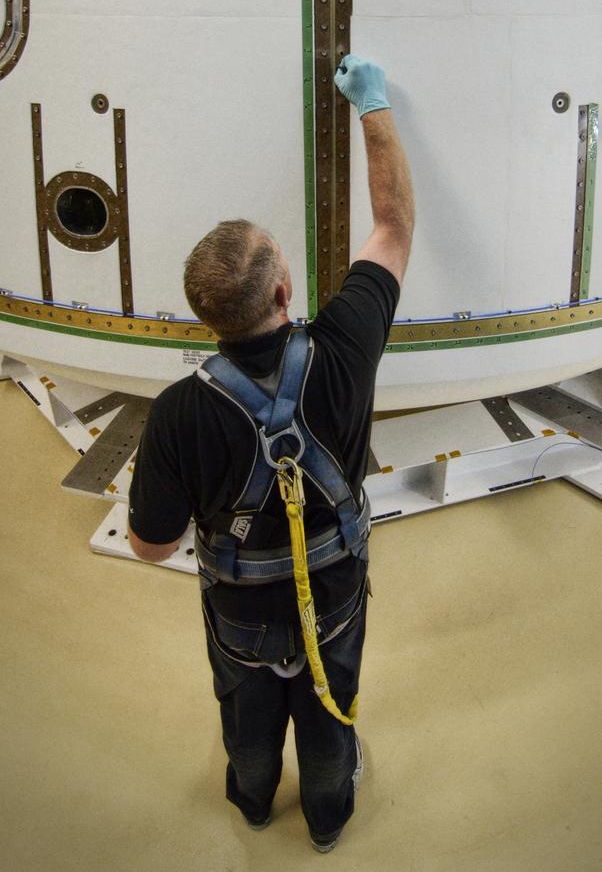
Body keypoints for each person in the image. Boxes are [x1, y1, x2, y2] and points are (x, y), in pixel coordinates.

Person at [127, 54, 414, 852]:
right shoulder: (346, 345)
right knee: (329, 713)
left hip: (239, 615)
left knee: (247, 720)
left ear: (206, 316)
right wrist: (373, 105)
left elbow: (150, 545)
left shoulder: (176, 414)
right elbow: (392, 225)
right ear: (285, 292)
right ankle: (326, 818)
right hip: (334, 594)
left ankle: (253, 800)